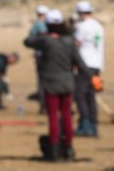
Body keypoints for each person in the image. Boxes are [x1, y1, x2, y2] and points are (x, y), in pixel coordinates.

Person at [24, 9, 90, 161]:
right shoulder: (69, 42)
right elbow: (80, 63)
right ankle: (68, 148)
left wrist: (39, 30)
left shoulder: (46, 41)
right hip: (67, 83)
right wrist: (92, 77)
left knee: (53, 117)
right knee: (67, 116)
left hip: (51, 85)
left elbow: (27, 41)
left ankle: (54, 149)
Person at [73, 1, 105, 137]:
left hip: (84, 65)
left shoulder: (82, 27)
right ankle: (93, 124)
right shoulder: (99, 26)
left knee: (80, 96)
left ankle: (86, 124)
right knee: (91, 96)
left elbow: (76, 44)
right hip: (97, 65)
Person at [28, 5, 49, 113]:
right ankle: (45, 105)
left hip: (40, 56)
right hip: (44, 56)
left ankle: (44, 105)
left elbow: (29, 40)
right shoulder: (43, 25)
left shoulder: (36, 25)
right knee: (44, 81)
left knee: (42, 81)